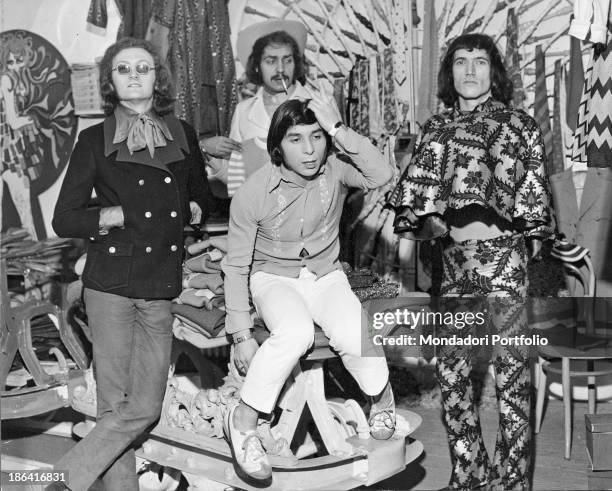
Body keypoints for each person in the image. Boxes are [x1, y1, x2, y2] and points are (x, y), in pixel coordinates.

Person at [394, 33, 555, 490]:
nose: (470, 71)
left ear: (493, 72)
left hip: (505, 261)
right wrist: (435, 229)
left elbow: (536, 207)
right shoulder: (435, 129)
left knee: (511, 378)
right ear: (450, 73)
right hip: (456, 265)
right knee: (453, 374)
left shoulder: (519, 125)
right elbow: (414, 211)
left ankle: (514, 481)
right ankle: (469, 474)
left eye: (480, 62)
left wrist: (523, 252)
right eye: (461, 62)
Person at [50, 37, 210, 491]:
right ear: (111, 81)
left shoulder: (182, 133)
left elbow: (201, 196)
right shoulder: (94, 139)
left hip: (159, 282)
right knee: (112, 407)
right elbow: (65, 218)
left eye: (144, 67)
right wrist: (112, 214)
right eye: (124, 69)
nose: (135, 75)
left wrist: (196, 208)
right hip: (110, 283)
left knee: (144, 407)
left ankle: (61, 480)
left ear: (158, 78)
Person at [222, 93, 396, 485]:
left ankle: (381, 397)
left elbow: (382, 174)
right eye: (296, 139)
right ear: (277, 146)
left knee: (356, 332)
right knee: (295, 332)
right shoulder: (254, 192)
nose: (309, 149)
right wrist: (241, 335)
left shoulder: (335, 168)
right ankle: (244, 421)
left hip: (325, 274)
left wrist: (339, 129)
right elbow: (235, 266)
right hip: (272, 277)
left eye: (317, 136)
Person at [206, 19, 312, 197]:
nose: (280, 69)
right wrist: (207, 153)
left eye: (287, 60)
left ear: (297, 63)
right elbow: (236, 176)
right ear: (257, 66)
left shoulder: (317, 104)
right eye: (271, 61)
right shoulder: (243, 111)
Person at [0, 33, 44, 239]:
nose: (15, 65)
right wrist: (30, 119)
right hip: (7, 149)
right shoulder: (7, 79)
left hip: (8, 146)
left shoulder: (11, 78)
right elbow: (13, 121)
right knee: (24, 209)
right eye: (10, 61)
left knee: (22, 207)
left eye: (18, 61)